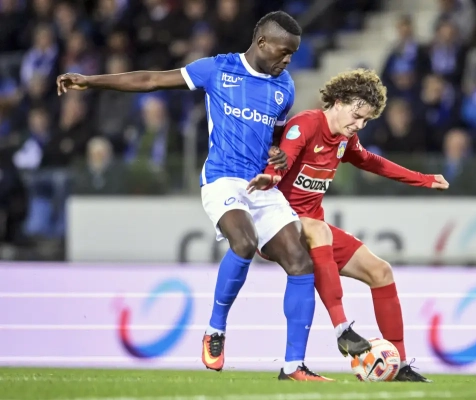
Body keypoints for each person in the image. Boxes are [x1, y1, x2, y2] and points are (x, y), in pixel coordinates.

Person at [56, 11, 333, 381]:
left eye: (292, 54)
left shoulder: (284, 87)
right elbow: (152, 79)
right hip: (222, 180)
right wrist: (90, 81)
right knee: (244, 242)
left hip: (261, 185)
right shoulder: (217, 69)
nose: (287, 60)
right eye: (284, 52)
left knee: (301, 263)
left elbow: (276, 140)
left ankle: (293, 366)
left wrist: (278, 153)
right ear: (262, 42)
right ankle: (215, 329)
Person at [248, 69, 449, 382]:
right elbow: (283, 159)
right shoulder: (306, 124)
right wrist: (271, 177)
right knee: (319, 229)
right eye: (357, 116)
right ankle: (342, 328)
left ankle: (398, 365)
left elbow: (370, 161)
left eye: (366, 120)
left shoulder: (345, 138)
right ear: (338, 102)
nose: (359, 125)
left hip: (311, 229)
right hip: (276, 226)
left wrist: (422, 179)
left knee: (380, 271)